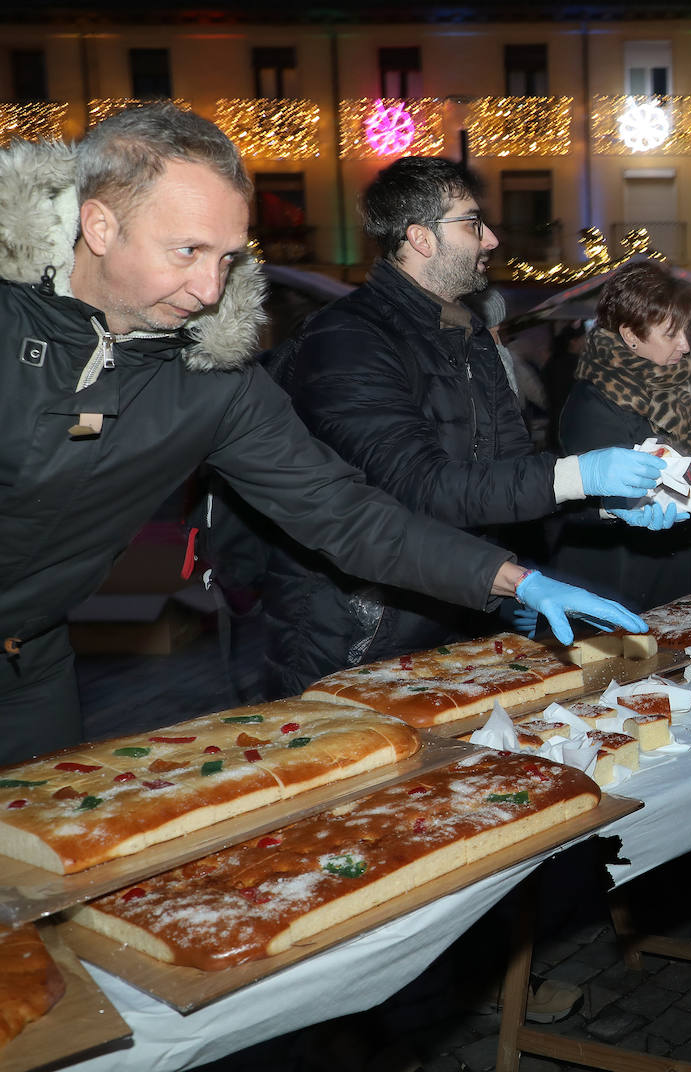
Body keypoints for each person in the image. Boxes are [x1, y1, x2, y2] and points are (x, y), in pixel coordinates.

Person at [0, 103, 645, 764]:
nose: (209, 287)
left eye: (226, 258)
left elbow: (346, 514)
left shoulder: (212, 380)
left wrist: (512, 579)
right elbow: (420, 481)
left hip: (31, 660)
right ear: (99, 226)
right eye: (187, 251)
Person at [252, 156, 676, 697]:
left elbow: (511, 473)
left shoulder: (467, 333)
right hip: (359, 629)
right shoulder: (348, 339)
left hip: (462, 606)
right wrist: (581, 477)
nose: (492, 239)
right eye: (472, 223)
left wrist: (606, 506)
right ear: (420, 238)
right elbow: (418, 488)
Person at [551, 260, 691, 610]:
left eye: (685, 331)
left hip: (679, 559)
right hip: (622, 581)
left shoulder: (676, 385)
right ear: (630, 336)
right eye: (671, 334)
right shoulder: (593, 405)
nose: (685, 346)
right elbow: (631, 499)